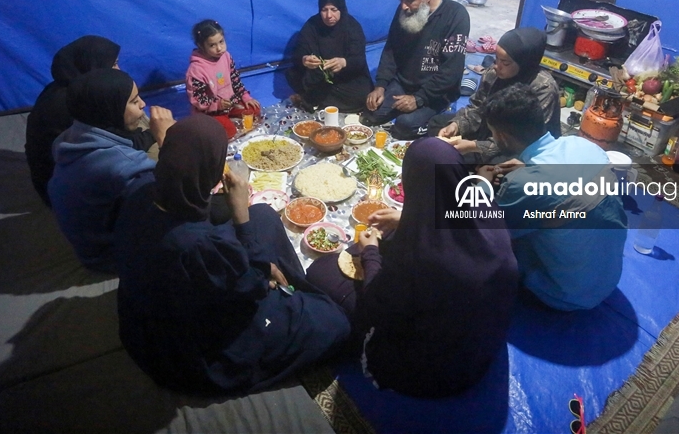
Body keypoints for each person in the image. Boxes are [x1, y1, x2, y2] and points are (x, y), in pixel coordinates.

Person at [115, 116, 350, 394]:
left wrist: (255, 257)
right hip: (195, 346)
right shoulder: (196, 244)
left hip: (176, 297)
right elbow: (246, 288)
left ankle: (289, 290)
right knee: (336, 323)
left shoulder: (140, 191)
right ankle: (291, 301)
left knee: (262, 214)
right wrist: (241, 219)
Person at [306, 138, 518, 398]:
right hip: (481, 345)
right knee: (393, 240)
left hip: (433, 370)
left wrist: (370, 251)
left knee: (321, 272)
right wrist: (407, 217)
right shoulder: (484, 206)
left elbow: (377, 303)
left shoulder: (426, 258)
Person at [481, 84, 627, 311]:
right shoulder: (584, 145)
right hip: (607, 280)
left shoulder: (522, 185)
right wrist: (527, 167)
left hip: (565, 295)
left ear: (502, 136)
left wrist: (482, 183)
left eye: (492, 132)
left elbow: (484, 230)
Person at [49, 68, 175, 273]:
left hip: (89, 243)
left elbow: (130, 141)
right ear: (110, 108)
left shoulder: (74, 134)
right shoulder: (122, 166)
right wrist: (166, 139)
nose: (143, 104)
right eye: (134, 101)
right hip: (109, 256)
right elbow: (174, 194)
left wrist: (152, 132)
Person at [364, 0, 469, 139]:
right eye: (401, 0)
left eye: (409, 0)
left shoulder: (456, 15)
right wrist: (381, 86)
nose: (404, 6)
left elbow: (451, 72)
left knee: (405, 126)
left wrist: (418, 99)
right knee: (371, 113)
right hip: (404, 82)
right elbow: (391, 49)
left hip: (436, 92)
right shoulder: (405, 10)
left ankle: (436, 116)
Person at [435, 27, 561, 163]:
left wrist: (475, 146)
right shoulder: (493, 74)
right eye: (496, 59)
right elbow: (477, 107)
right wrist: (457, 125)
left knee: (499, 164)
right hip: (491, 129)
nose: (497, 66)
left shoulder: (543, 88)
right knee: (437, 124)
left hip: (517, 143)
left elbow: (526, 139)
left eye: (505, 63)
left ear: (525, 62)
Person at [25, 35, 120, 207]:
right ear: (93, 66)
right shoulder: (77, 104)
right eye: (113, 64)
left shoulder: (58, 88)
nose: (118, 70)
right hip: (64, 195)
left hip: (53, 180)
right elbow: (112, 147)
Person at [288, 0, 373, 112]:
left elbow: (359, 61)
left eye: (334, 10)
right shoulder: (312, 25)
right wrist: (305, 59)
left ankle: (314, 99)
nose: (329, 15)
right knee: (291, 75)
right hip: (319, 77)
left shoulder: (352, 27)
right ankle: (319, 99)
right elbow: (298, 52)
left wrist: (344, 63)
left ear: (341, 8)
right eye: (324, 10)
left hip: (346, 80)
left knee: (362, 94)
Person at [186, 19, 261, 137]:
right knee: (229, 132)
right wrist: (218, 105)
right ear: (201, 46)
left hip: (230, 103)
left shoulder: (226, 56)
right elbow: (199, 101)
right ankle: (216, 123)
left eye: (221, 42)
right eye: (212, 45)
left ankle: (226, 118)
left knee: (254, 110)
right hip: (210, 111)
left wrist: (245, 97)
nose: (219, 48)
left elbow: (235, 80)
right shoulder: (196, 70)